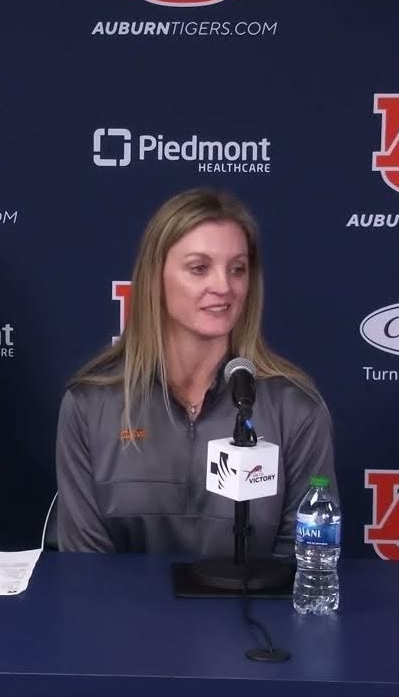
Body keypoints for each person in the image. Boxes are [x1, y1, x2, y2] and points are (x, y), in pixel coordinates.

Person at [55, 188, 336, 556]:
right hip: (120, 614)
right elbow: (84, 570)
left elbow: (301, 564)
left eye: (237, 269)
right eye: (199, 268)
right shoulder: (89, 406)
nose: (223, 286)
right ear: (155, 278)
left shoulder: (295, 408)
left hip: (253, 615)